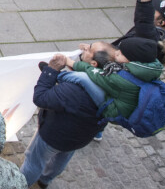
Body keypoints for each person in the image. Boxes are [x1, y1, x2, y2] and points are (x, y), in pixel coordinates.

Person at [19, 51, 108, 188]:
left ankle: (20, 184)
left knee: (34, 162)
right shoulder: (110, 86)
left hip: (53, 136)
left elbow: (41, 98)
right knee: (62, 158)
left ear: (93, 64)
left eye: (90, 49)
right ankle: (45, 180)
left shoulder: (74, 89)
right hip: (80, 137)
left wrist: (51, 71)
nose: (84, 49)